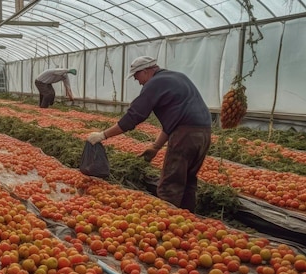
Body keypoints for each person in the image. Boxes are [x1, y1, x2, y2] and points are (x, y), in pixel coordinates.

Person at [87, 56, 212, 213]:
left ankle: (167, 223)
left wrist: (103, 135)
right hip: (204, 132)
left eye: (136, 76)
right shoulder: (177, 77)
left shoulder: (154, 83)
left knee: (170, 183)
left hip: (185, 134)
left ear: (145, 71)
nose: (137, 81)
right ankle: (188, 221)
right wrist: (155, 146)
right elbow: (175, 120)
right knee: (188, 180)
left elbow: (134, 116)